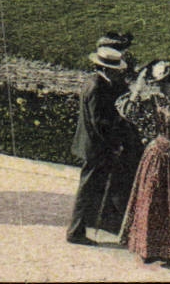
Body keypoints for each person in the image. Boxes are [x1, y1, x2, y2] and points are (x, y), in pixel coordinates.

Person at [117, 59, 170, 265]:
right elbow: (127, 111)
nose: (159, 86)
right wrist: (138, 87)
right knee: (152, 198)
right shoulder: (155, 100)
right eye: (158, 82)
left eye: (163, 82)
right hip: (157, 154)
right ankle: (150, 248)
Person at [66, 43, 143, 245]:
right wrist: (115, 144)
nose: (118, 74)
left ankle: (82, 227)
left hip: (94, 145)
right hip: (96, 148)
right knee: (88, 189)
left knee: (91, 187)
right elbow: (99, 122)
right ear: (106, 69)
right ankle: (75, 232)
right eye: (115, 70)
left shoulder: (97, 82)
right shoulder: (97, 87)